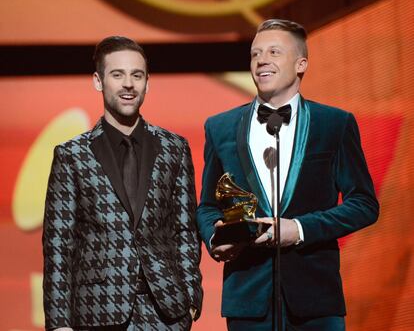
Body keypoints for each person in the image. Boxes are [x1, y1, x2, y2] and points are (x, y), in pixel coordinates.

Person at [196, 19, 379, 331]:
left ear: (301, 64)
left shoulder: (334, 124)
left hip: (315, 301)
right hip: (248, 301)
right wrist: (216, 238)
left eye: (274, 52)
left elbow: (363, 203)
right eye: (255, 54)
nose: (261, 60)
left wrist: (300, 229)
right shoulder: (220, 127)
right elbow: (207, 206)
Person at [42, 36, 202, 331]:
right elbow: (59, 245)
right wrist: (58, 322)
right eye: (117, 74)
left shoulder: (173, 148)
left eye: (136, 75)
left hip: (166, 314)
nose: (128, 84)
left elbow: (184, 230)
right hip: (97, 312)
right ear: (98, 81)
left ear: (147, 83)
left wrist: (190, 296)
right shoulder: (72, 155)